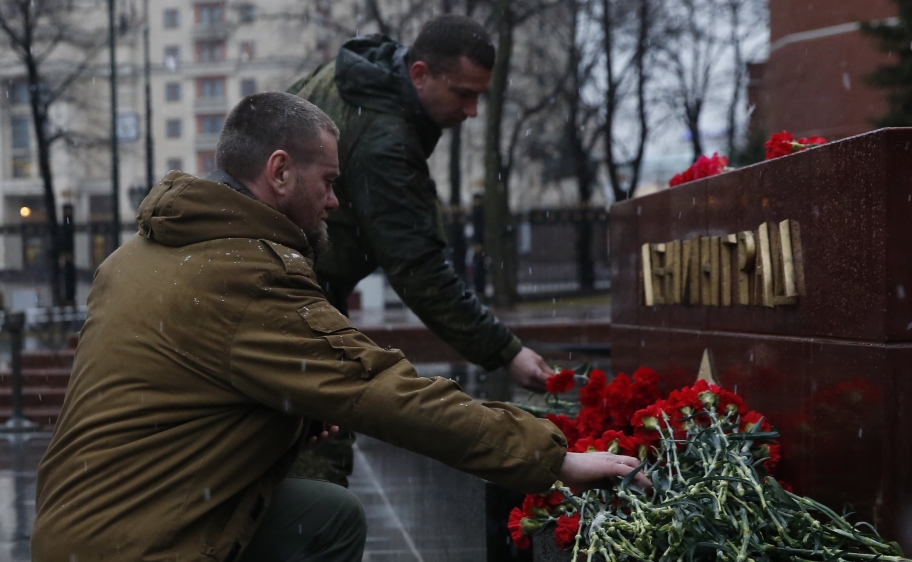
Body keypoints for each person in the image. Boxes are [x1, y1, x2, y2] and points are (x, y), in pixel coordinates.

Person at [31, 92, 649, 562]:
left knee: (325, 516)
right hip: (138, 546)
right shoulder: (247, 274)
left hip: (77, 526)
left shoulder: (135, 257)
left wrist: (289, 421)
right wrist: (554, 459)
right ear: (279, 172)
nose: (334, 201)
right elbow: (384, 391)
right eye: (328, 182)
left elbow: (172, 397)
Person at [286, 16, 552, 390]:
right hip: (297, 296)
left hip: (279, 280)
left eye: (479, 96)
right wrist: (507, 352)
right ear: (419, 74)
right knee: (327, 416)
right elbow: (418, 269)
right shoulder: (385, 141)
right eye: (463, 94)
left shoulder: (355, 76)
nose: (473, 110)